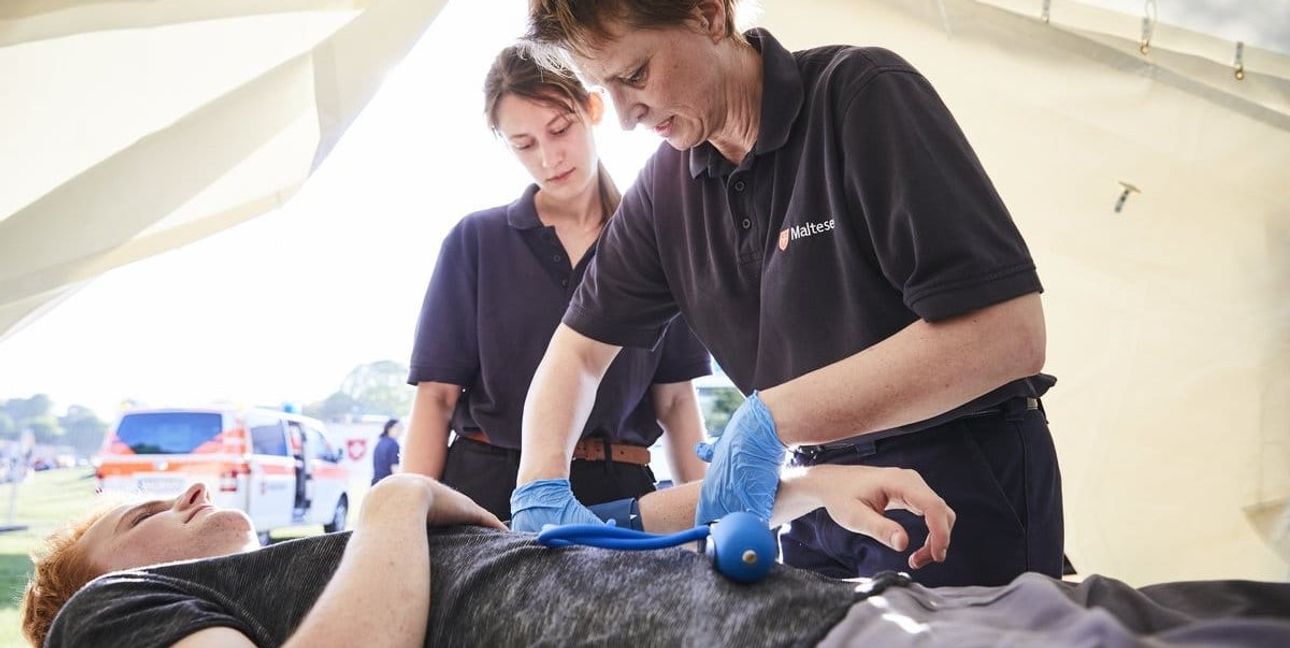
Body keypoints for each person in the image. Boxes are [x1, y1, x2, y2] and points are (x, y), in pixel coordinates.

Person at [510, 0, 1062, 587]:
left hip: (953, 482)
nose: (624, 115)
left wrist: (772, 419)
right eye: (605, 86)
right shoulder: (665, 192)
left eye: (636, 74)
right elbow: (577, 352)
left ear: (708, 14)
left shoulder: (860, 98)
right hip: (814, 498)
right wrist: (539, 484)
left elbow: (1010, 334)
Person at [27, 474, 1290, 648]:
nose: (181, 491)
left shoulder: (337, 564)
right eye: (138, 514)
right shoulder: (112, 617)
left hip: (851, 602)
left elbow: (599, 536)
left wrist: (795, 481)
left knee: (1204, 609)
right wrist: (399, 497)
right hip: (796, 644)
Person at [402, 45, 711, 521]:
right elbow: (436, 398)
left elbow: (675, 402)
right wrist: (411, 519)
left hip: (621, 494)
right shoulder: (475, 242)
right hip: (486, 494)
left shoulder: (658, 241)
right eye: (524, 144)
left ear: (592, 107)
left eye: (560, 129)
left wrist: (712, 518)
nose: (548, 157)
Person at [370, 418, 403, 485]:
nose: (400, 431)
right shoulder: (393, 444)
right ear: (389, 428)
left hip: (376, 483)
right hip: (387, 484)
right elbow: (394, 468)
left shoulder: (380, 443)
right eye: (398, 428)